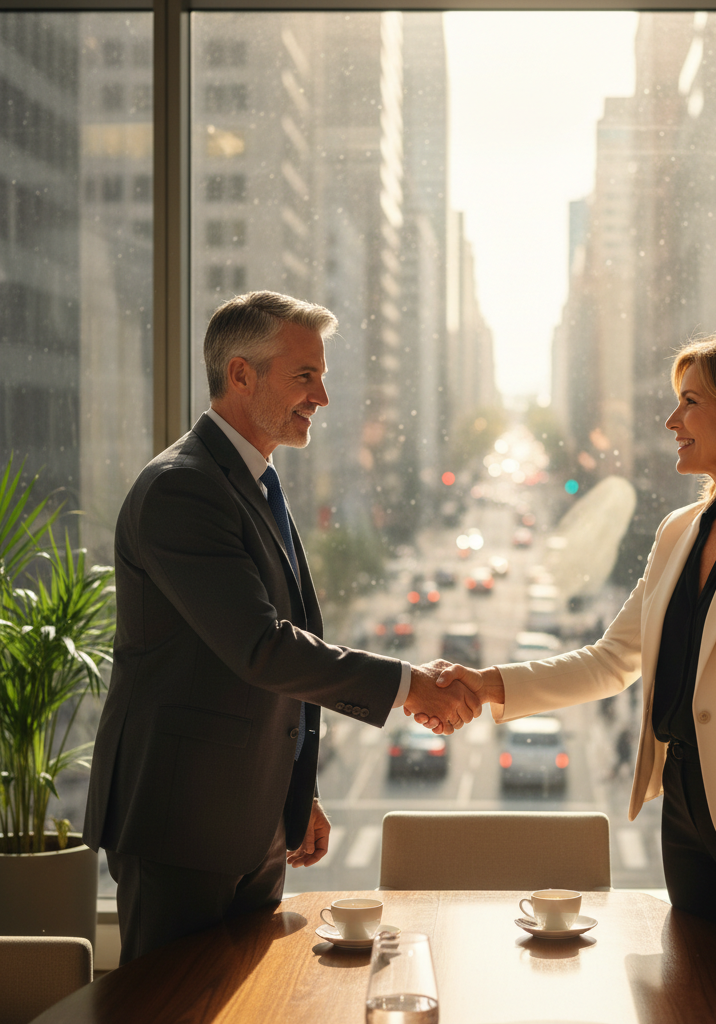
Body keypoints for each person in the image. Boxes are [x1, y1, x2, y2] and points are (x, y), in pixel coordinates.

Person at [434, 333, 716, 972]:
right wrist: (491, 683)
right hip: (686, 808)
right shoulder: (679, 531)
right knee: (691, 995)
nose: (672, 421)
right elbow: (613, 659)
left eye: (690, 402)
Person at [84, 291, 480, 963]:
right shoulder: (183, 488)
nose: (321, 397)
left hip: (249, 822)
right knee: (171, 1008)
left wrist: (294, 794)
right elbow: (261, 647)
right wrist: (410, 684)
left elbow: (263, 661)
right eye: (305, 375)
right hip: (181, 826)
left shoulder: (254, 481)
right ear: (241, 375)